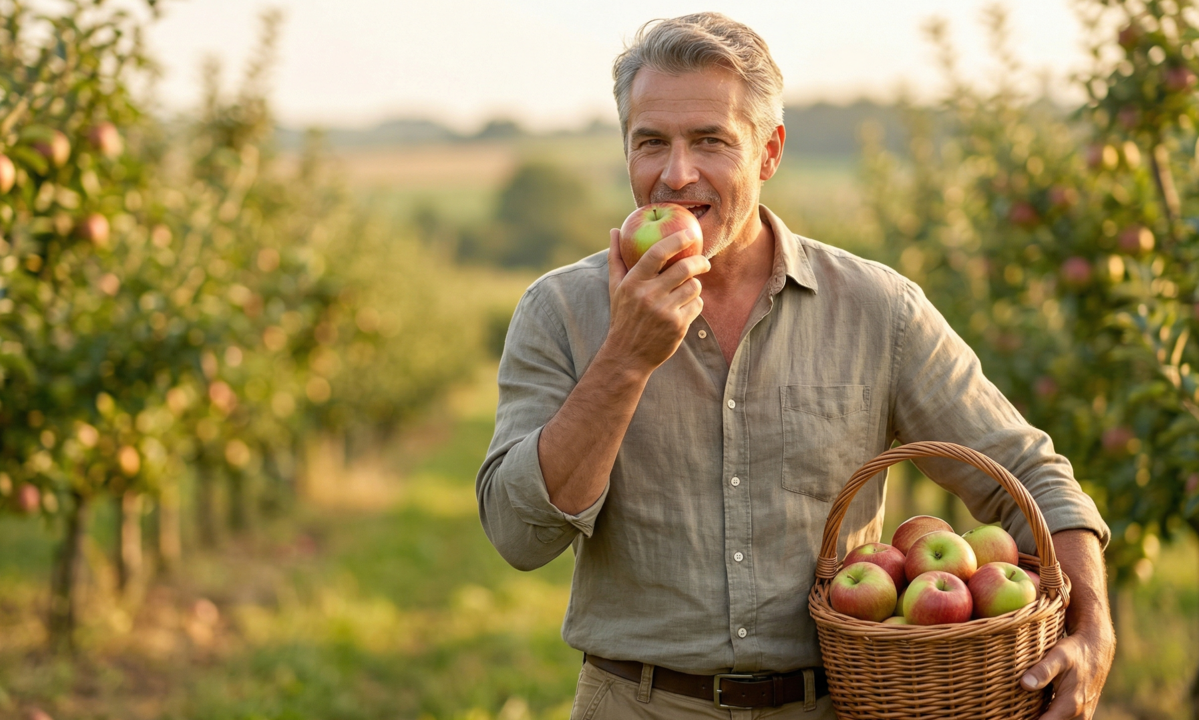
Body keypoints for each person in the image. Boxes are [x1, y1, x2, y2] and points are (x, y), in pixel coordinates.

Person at [476, 12, 1114, 720]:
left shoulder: (877, 309)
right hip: (638, 703)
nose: (675, 174)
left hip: (837, 705)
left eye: (710, 140)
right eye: (651, 141)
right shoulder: (560, 311)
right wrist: (624, 359)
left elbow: (1027, 474)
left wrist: (1093, 627)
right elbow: (519, 535)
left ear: (769, 152)